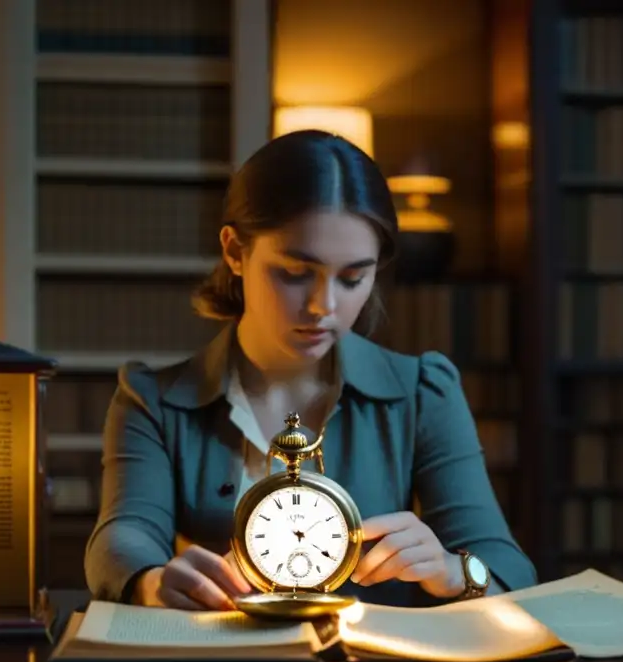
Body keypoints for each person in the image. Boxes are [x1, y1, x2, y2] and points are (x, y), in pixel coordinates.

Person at [83, 129, 537, 611]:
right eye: (296, 273)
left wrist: (451, 569)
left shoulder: (423, 392)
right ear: (235, 252)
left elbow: (510, 570)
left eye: (353, 278)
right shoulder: (152, 400)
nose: (325, 306)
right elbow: (121, 537)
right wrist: (152, 581)